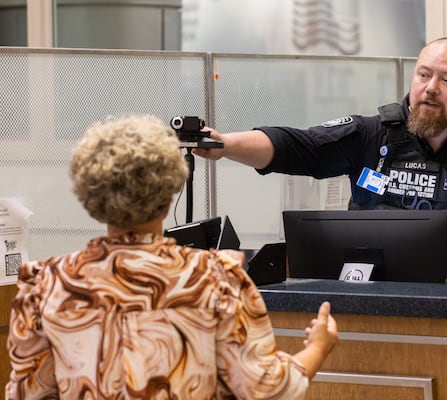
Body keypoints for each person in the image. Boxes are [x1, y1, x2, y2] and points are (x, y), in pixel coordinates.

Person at [5, 114, 338, 399]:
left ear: (88, 193)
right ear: (171, 187)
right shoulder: (215, 279)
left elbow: (27, 392)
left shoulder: (46, 285)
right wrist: (318, 347)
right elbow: (267, 389)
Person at [193, 37, 447, 286]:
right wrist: (225, 144)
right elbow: (295, 145)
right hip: (369, 302)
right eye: (423, 75)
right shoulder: (372, 135)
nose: (430, 87)